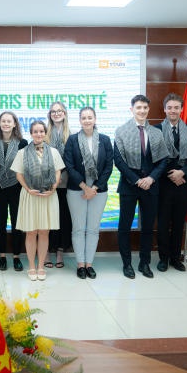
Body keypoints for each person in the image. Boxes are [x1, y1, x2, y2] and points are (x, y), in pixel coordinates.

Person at [114, 95, 169, 279]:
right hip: (130, 186)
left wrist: (151, 178)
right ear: (132, 109)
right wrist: (137, 180)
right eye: (138, 107)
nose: (142, 111)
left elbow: (163, 161)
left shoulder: (156, 133)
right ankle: (127, 264)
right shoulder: (121, 131)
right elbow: (119, 161)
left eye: (145, 107)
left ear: (148, 109)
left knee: (147, 227)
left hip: (151, 186)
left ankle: (144, 263)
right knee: (124, 227)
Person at [64, 107, 113, 279]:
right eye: (83, 118)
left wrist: (95, 188)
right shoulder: (72, 140)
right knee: (78, 229)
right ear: (80, 120)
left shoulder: (105, 140)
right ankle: (80, 265)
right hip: (77, 189)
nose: (87, 120)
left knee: (93, 229)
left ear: (95, 119)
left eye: (89, 117)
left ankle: (89, 264)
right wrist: (85, 187)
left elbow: (108, 166)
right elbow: (69, 165)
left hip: (99, 191)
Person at [11, 120, 64, 281]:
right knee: (31, 232)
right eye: (35, 131)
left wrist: (53, 188)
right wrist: (28, 189)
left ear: (45, 133)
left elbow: (57, 172)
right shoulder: (22, 152)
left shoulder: (53, 152)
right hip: (30, 196)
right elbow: (18, 174)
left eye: (41, 131)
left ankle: (41, 266)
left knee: (43, 232)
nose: (39, 134)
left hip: (48, 196)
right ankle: (32, 267)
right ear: (31, 133)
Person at [154, 93, 187, 273]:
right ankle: (163, 258)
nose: (173, 110)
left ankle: (175, 257)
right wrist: (169, 173)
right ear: (164, 109)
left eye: (176, 107)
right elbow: (154, 158)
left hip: (183, 182)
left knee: (179, 222)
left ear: (181, 109)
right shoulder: (156, 130)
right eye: (170, 107)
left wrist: (183, 172)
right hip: (163, 182)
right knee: (164, 222)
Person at [0, 111, 27, 272]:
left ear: (14, 124)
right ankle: (3, 256)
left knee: (16, 223)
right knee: (0, 223)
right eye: (3, 121)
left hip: (16, 187)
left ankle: (17, 256)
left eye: (9, 121)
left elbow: (25, 167)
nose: (6, 124)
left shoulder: (22, 143)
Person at [45, 101, 72, 269]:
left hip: (67, 182)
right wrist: (53, 177)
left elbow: (73, 158)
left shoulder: (73, 134)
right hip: (48, 183)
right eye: (53, 111)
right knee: (48, 218)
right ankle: (47, 251)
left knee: (63, 218)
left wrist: (61, 175)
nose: (56, 114)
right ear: (50, 114)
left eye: (59, 111)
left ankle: (60, 252)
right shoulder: (44, 133)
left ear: (64, 113)